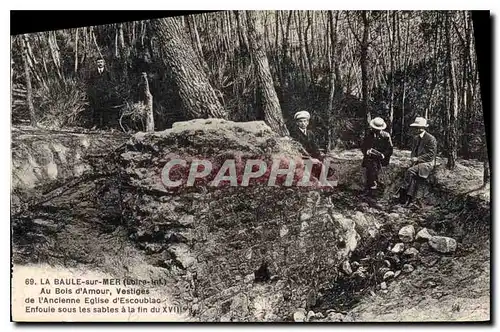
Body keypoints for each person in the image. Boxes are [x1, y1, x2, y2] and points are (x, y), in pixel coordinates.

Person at [399, 116, 437, 206]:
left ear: (422, 128)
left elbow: (431, 155)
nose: (414, 129)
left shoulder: (431, 139)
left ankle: (403, 191)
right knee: (413, 175)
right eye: (415, 128)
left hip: (427, 163)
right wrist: (412, 160)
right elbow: (413, 152)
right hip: (418, 163)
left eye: (416, 128)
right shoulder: (416, 138)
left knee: (410, 171)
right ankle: (409, 198)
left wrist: (418, 159)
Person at [361, 117, 393, 191]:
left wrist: (383, 155)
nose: (376, 131)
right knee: (370, 163)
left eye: (378, 130)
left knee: (373, 163)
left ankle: (373, 184)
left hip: (382, 158)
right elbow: (363, 146)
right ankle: (372, 184)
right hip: (371, 157)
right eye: (374, 129)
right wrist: (367, 151)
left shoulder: (386, 136)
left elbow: (390, 149)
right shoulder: (369, 134)